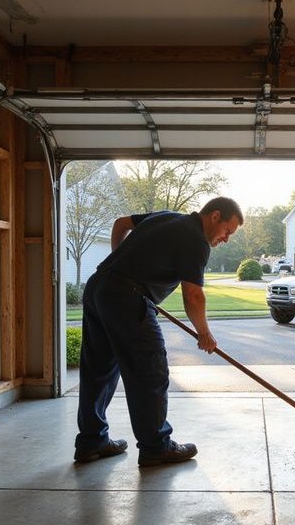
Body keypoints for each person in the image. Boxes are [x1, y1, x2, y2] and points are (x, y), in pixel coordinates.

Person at [73, 197, 244, 466]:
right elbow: (194, 295)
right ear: (214, 216)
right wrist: (204, 333)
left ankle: (91, 441)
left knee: (98, 369)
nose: (226, 239)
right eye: (227, 231)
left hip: (99, 287)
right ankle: (156, 446)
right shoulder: (196, 240)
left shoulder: (166, 216)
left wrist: (117, 263)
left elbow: (120, 224)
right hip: (128, 297)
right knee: (149, 370)